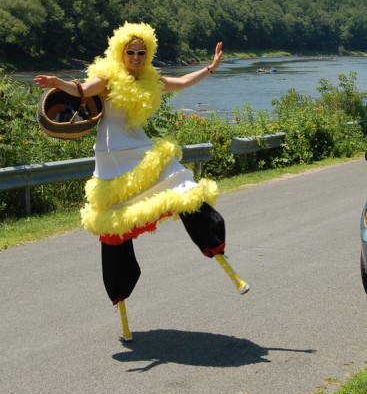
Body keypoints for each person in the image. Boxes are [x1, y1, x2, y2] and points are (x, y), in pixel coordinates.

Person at [34, 21, 249, 340]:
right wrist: (56, 82)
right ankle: (121, 298)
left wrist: (211, 68)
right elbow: (83, 91)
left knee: (183, 186)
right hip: (113, 153)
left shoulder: (152, 79)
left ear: (147, 54)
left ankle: (214, 246)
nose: (136, 56)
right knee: (115, 225)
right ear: (121, 52)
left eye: (141, 52)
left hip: (140, 146)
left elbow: (182, 82)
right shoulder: (108, 77)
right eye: (130, 51)